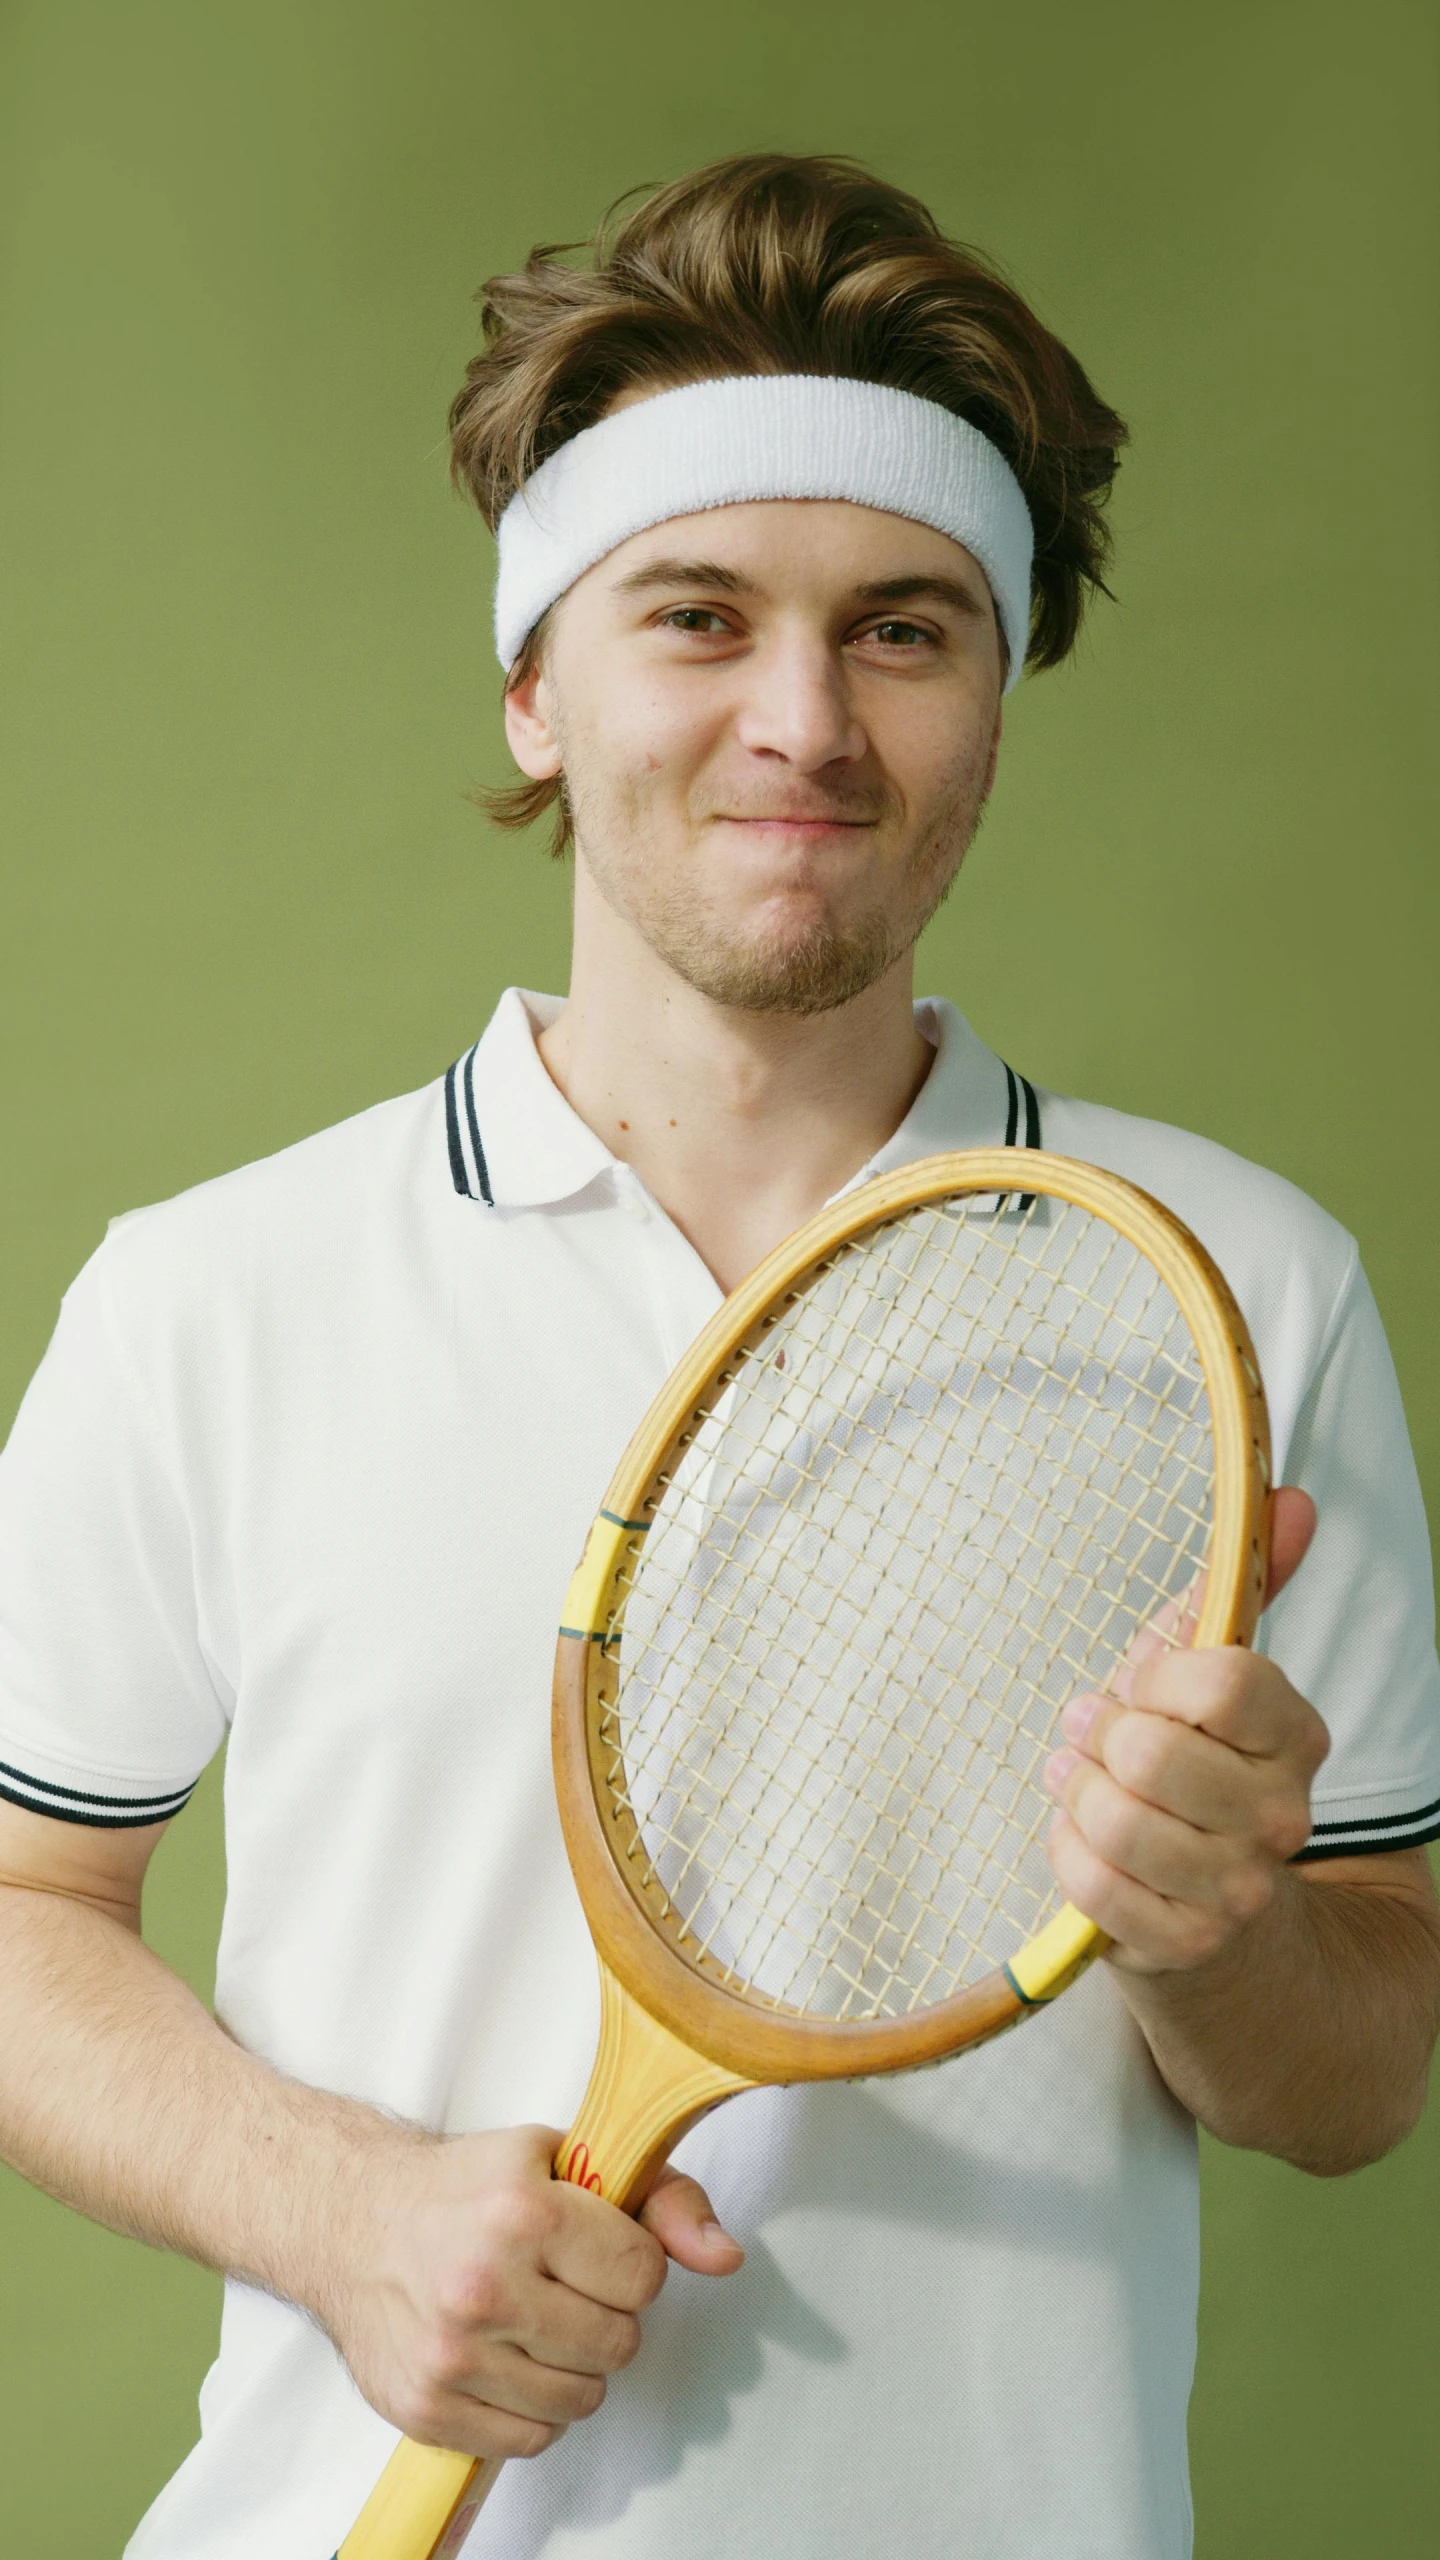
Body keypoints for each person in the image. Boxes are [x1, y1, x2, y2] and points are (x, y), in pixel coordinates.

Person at [1, 153, 1438, 2560]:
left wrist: (1224, 1924)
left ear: (996, 694)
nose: (805, 720)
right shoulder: (208, 1291)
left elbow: (1363, 2062)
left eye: (904, 628)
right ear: (534, 684)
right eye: (697, 615)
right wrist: (337, 2206)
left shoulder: (1241, 1283)